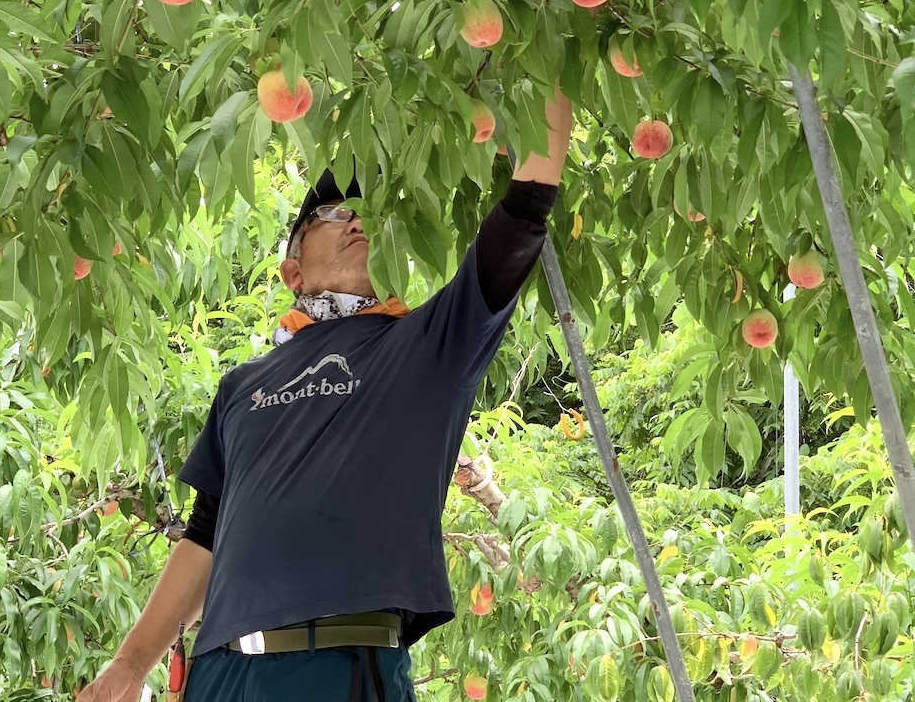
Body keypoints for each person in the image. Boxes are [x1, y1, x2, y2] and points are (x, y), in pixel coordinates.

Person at [74, 86, 572, 702]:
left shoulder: (426, 346)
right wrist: (129, 666)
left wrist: (543, 60)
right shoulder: (242, 386)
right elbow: (204, 537)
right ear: (293, 271)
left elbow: (522, 214)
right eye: (333, 214)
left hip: (343, 665)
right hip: (222, 674)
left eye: (367, 211)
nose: (357, 218)